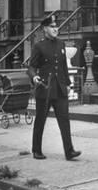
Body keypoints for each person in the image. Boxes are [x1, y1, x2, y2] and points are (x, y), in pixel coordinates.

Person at [27, 14, 81, 161]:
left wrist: (68, 85)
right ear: (45, 29)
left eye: (56, 26)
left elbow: (63, 66)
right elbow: (31, 66)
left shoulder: (61, 44)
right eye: (52, 26)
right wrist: (34, 77)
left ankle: (69, 151)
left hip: (60, 89)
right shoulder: (39, 46)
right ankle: (36, 150)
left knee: (65, 120)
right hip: (45, 89)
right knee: (40, 120)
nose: (55, 28)